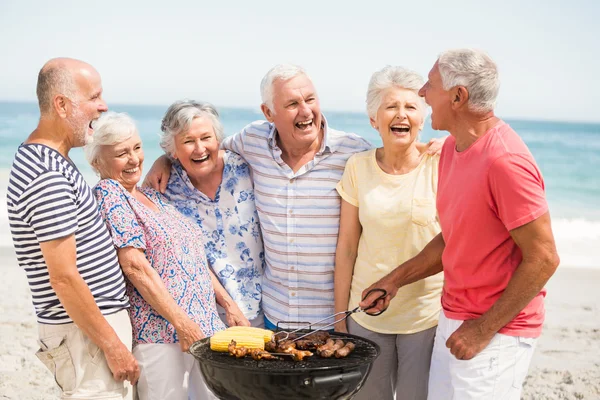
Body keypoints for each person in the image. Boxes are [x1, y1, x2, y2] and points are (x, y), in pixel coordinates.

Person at [144, 64, 443, 329]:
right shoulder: (252, 141)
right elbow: (205, 149)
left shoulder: (354, 151)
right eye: (292, 103)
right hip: (275, 316)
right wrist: (165, 160)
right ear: (268, 113)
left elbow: (398, 158)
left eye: (310, 100)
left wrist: (446, 145)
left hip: (335, 316)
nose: (305, 111)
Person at [360, 49, 560, 400]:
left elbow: (544, 258)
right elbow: (454, 239)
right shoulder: (453, 149)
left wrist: (483, 329)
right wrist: (394, 281)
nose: (422, 93)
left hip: (497, 332)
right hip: (453, 319)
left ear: (458, 96)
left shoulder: (506, 161)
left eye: (430, 84)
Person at [6, 58, 139, 399]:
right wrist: (112, 345)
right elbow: (63, 276)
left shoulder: (49, 160)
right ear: (62, 105)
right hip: (87, 338)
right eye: (94, 97)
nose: (103, 105)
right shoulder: (46, 175)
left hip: (88, 333)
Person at [85, 112, 240, 399]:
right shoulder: (110, 193)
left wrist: (228, 304)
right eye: (121, 153)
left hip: (204, 326)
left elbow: (190, 256)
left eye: (137, 148)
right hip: (161, 334)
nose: (134, 159)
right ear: (97, 163)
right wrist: (182, 323)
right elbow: (135, 267)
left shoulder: (153, 195)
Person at [334, 66, 443, 400]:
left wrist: (453, 146)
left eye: (411, 107)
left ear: (423, 117)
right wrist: (341, 319)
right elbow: (348, 247)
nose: (401, 115)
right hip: (366, 316)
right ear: (373, 120)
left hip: (425, 318)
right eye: (391, 107)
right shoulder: (358, 166)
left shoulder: (442, 163)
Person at [158, 100, 264, 327]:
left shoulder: (247, 167)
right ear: (172, 150)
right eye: (188, 141)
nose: (199, 148)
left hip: (265, 309)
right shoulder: (165, 190)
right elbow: (188, 258)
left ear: (218, 138)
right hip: (206, 316)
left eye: (206, 138)